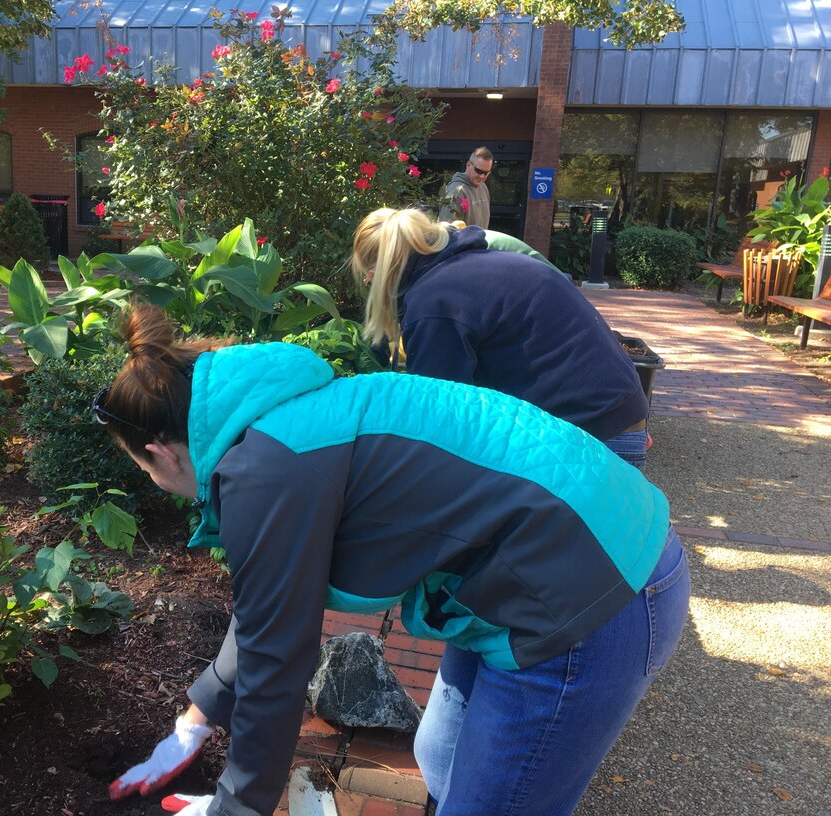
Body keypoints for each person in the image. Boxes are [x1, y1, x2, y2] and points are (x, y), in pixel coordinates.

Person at [99, 304, 688, 816]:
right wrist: (197, 718)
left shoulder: (267, 470)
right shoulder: (275, 428)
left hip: (592, 590)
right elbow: (264, 619)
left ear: (159, 453)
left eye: (147, 473)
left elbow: (276, 662)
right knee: (439, 756)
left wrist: (236, 805)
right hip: (554, 560)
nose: (158, 484)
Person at [351, 206, 651, 468]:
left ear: (385, 267)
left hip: (591, 436)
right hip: (618, 415)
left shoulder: (435, 302)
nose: (366, 281)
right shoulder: (477, 265)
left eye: (367, 273)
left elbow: (440, 423)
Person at [437, 146, 492, 227]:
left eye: (486, 173)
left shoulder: (483, 187)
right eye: (478, 171)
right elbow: (447, 230)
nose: (482, 176)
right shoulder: (456, 191)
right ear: (468, 165)